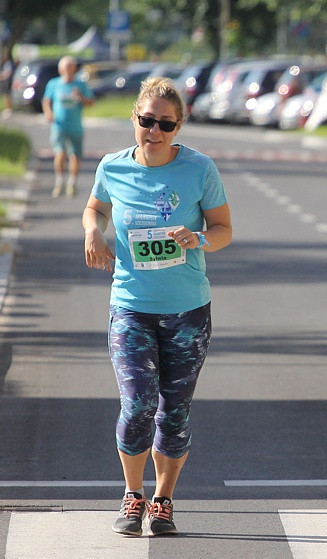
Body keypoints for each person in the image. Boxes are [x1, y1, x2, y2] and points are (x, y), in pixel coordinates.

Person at [82, 77, 232, 537]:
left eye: (165, 124)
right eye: (147, 121)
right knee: (138, 403)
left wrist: (198, 238)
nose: (155, 131)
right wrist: (91, 231)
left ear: (178, 125)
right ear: (134, 119)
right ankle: (133, 493)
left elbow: (224, 228)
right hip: (130, 307)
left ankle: (163, 499)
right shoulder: (113, 166)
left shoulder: (198, 168)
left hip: (187, 310)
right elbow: (95, 209)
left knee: (175, 411)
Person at [42, 55, 94, 197]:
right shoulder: (54, 84)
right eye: (66, 67)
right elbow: (46, 100)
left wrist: (81, 98)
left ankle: (72, 182)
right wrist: (48, 113)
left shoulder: (80, 85)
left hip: (76, 127)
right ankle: (59, 181)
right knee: (60, 153)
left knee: (75, 156)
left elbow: (90, 102)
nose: (69, 70)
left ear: (75, 69)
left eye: (71, 67)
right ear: (60, 69)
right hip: (59, 126)